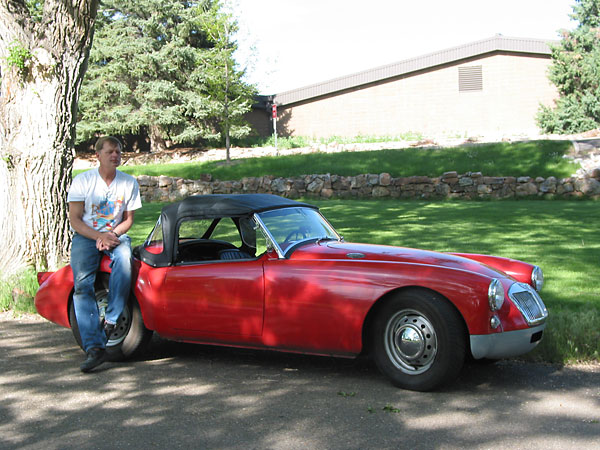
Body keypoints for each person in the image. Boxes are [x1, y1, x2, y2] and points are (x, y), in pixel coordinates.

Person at [67, 136, 142, 372]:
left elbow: (128, 220)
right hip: (86, 236)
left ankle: (111, 319)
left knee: (124, 261)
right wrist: (97, 237)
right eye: (110, 152)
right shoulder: (83, 181)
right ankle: (93, 348)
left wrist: (111, 235)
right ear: (97, 155)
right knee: (81, 285)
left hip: (115, 234)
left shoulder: (128, 183)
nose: (115, 156)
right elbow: (75, 220)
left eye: (118, 152)